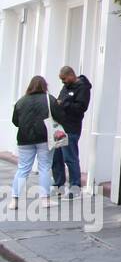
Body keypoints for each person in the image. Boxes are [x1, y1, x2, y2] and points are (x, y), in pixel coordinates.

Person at [10, 76, 63, 208]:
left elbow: (15, 121)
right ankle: (45, 200)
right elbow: (60, 116)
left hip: (24, 139)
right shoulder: (49, 99)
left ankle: (14, 200)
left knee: (23, 168)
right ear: (45, 86)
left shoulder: (21, 102)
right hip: (45, 138)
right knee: (44, 167)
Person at [53, 66, 92, 198]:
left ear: (71, 75)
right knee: (57, 158)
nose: (62, 82)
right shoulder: (66, 87)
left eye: (64, 79)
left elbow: (81, 108)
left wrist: (64, 104)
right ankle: (58, 185)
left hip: (71, 128)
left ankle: (75, 187)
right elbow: (60, 100)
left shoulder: (83, 88)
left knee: (70, 158)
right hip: (59, 128)